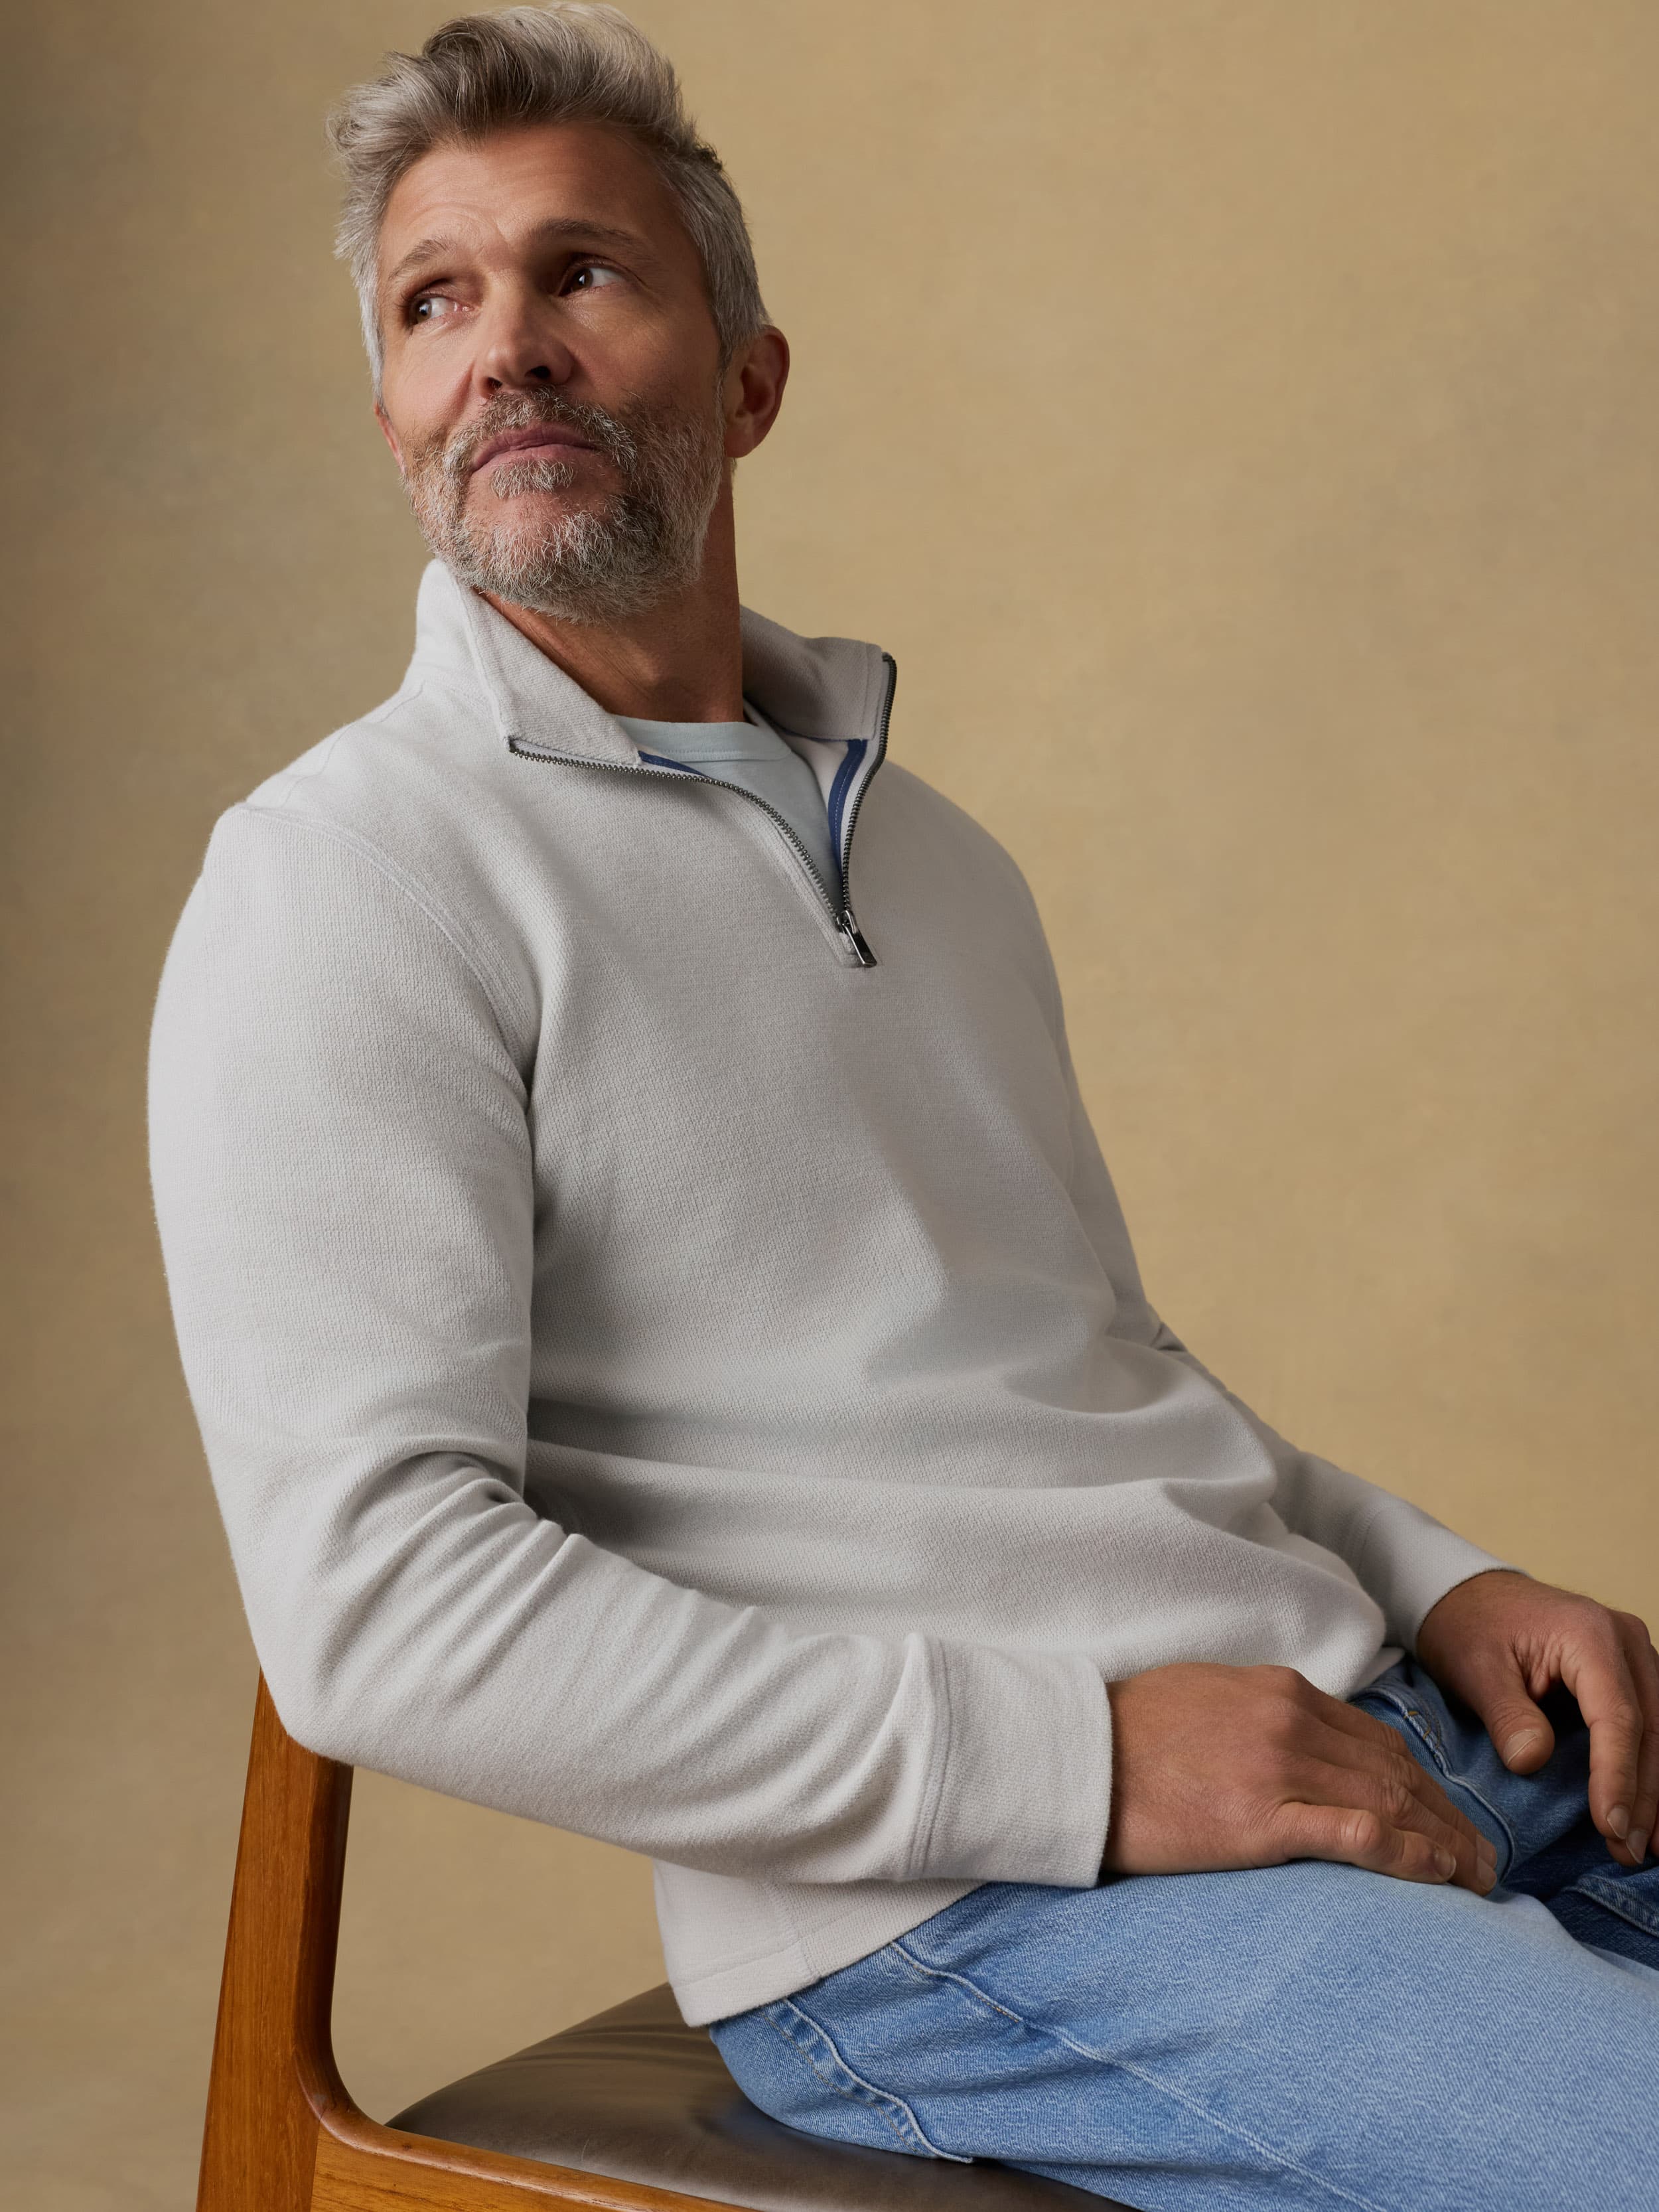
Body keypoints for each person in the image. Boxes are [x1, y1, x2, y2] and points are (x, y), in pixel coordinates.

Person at [147, 8, 1659, 2207]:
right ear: (392, 413)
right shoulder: (344, 882)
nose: (507, 349)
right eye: (431, 300)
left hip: (1364, 1721)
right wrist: (1087, 1760)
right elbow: (377, 1608)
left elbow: (1093, 1382)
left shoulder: (932, 856)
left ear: (747, 375)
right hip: (961, 1912)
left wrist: (1437, 1581)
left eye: (585, 272)